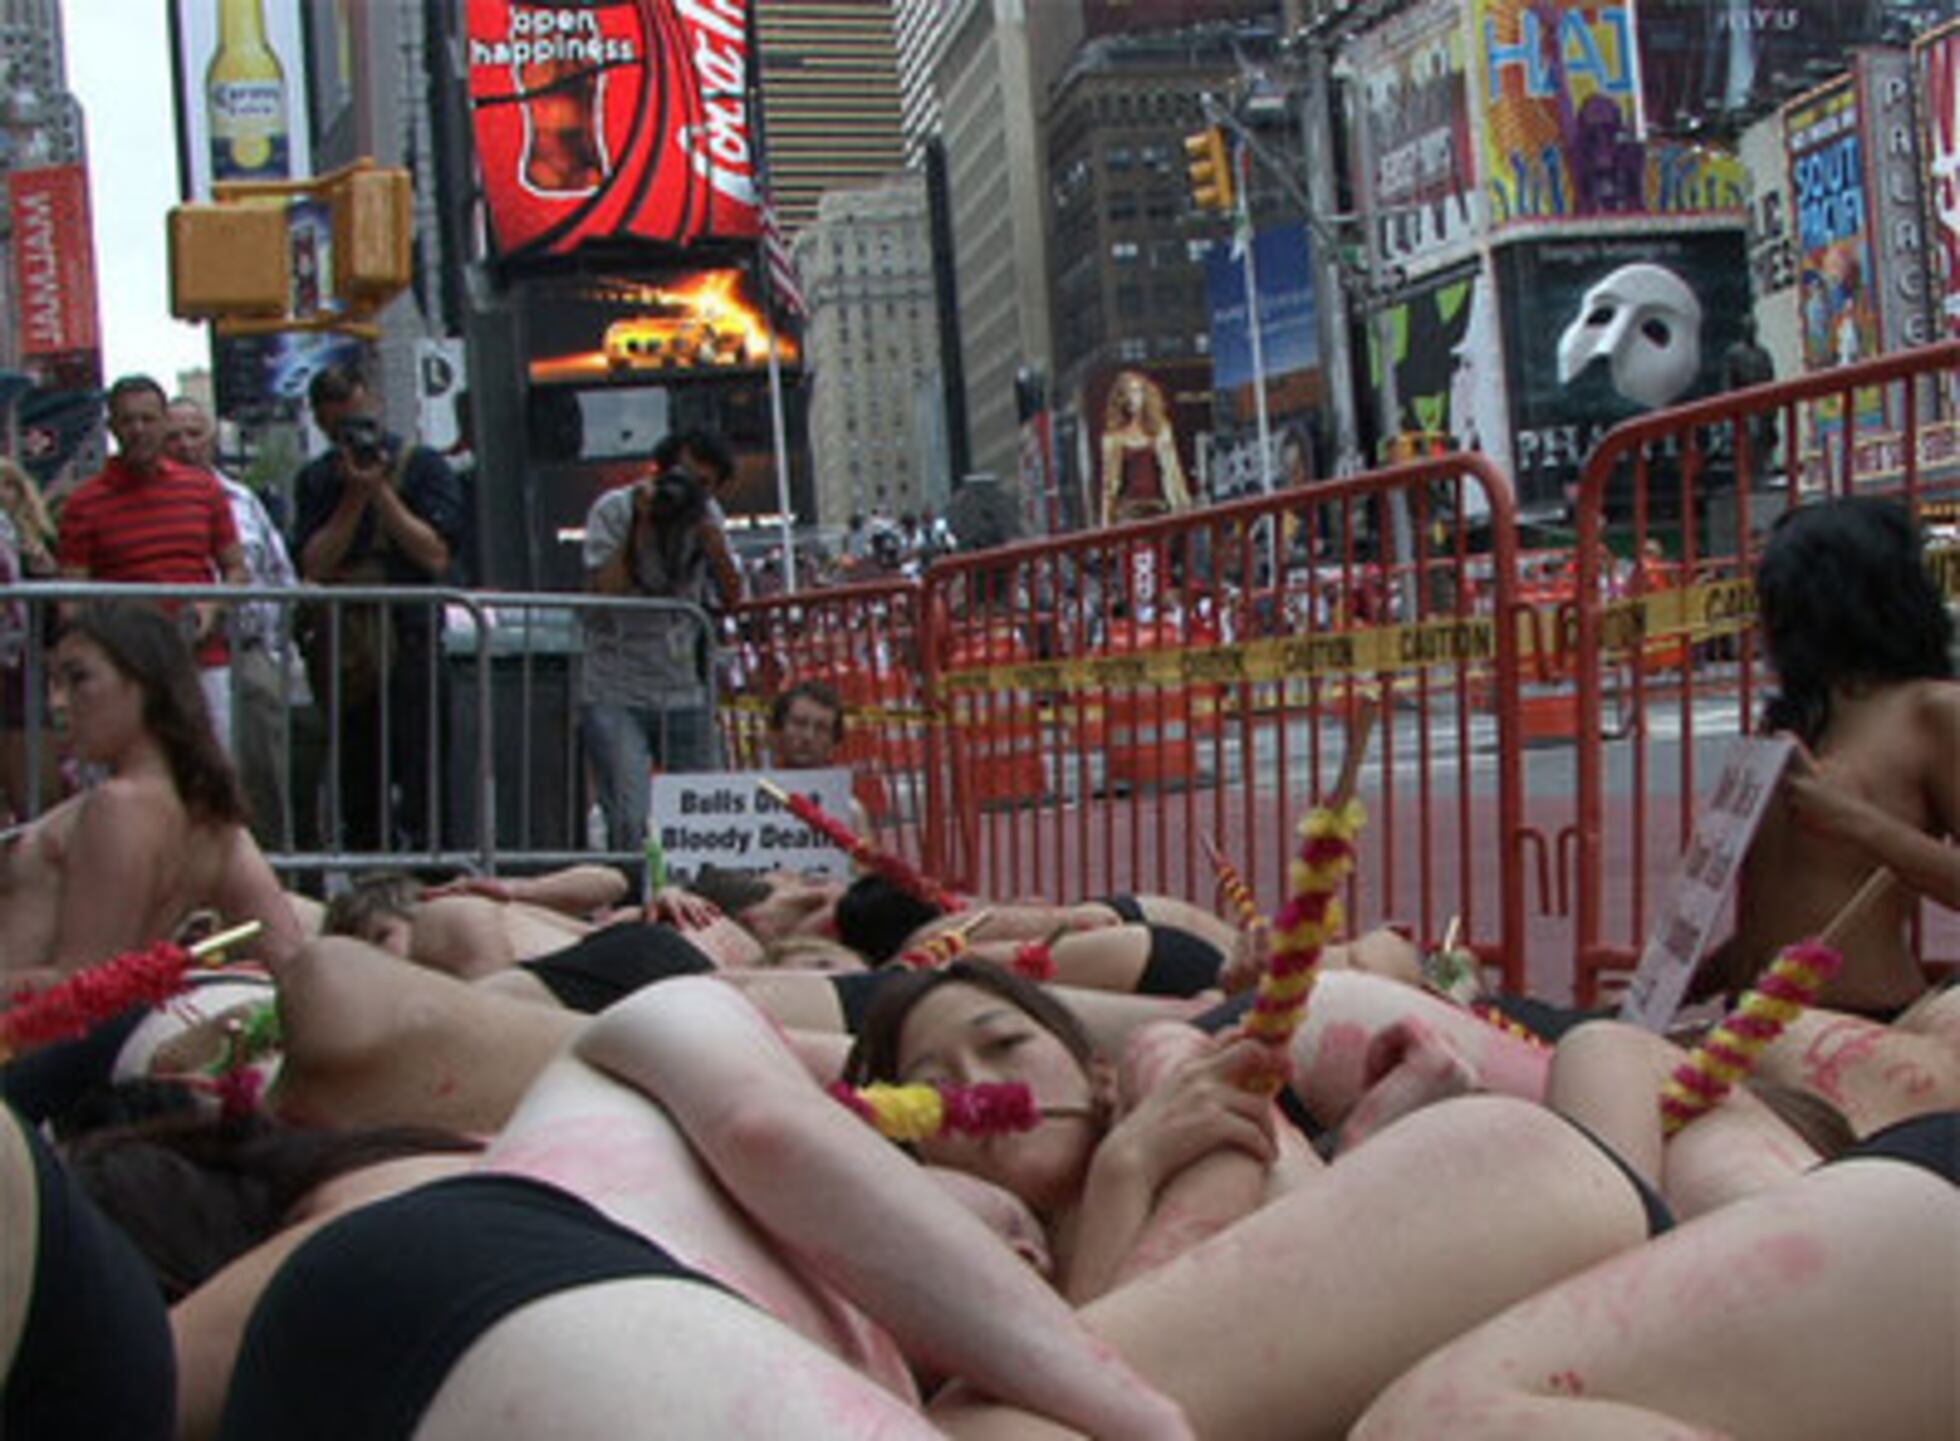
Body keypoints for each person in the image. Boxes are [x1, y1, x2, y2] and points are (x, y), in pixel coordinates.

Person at [1700, 497, 1959, 1018]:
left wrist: (1857, 823)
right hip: (1749, 1022)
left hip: (1860, 1026)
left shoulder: (1931, 709)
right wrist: (1657, 996)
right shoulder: (1794, 720)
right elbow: (1786, 916)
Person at [0, 600, 300, 989]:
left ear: (145, 685)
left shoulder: (120, 805)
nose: (57, 703)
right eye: (54, 683)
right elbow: (289, 957)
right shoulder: (214, 820)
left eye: (78, 680)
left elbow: (83, 986)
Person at [290, 363, 467, 854]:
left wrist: (382, 491)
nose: (356, 438)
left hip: (410, 638)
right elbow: (314, 563)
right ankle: (370, 877)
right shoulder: (318, 480)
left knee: (424, 772)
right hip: (347, 650)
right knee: (358, 776)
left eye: (360, 421)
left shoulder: (424, 467)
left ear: (376, 405)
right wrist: (352, 497)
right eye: (341, 428)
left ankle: (433, 871)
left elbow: (434, 553)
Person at [56, 375, 247, 752]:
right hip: (126, 667)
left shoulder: (204, 489)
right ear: (112, 427)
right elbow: (71, 597)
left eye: (148, 419)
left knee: (212, 771)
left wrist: (212, 606)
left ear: (164, 423)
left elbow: (237, 571)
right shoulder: (84, 503)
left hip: (203, 659)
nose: (139, 430)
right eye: (128, 421)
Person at [579, 429, 742, 861]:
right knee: (631, 813)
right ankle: (635, 895)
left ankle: (704, 897)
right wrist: (641, 524)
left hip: (683, 683)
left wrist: (714, 546)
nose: (688, 491)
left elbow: (734, 597)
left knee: (704, 806)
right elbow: (603, 591)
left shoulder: (707, 517)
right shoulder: (615, 509)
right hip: (615, 684)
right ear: (659, 469)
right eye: (682, 477)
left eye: (704, 484)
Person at [165, 396, 304, 851]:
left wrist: (277, 653)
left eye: (194, 434)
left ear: (211, 439)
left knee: (264, 775)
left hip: (248, 653)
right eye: (174, 436)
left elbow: (279, 574)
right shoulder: (153, 502)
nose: (185, 445)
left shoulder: (243, 499)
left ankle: (277, 877)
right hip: (178, 660)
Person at [1100, 370, 1191, 528]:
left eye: (1138, 391)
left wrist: (1184, 506)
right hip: (1129, 512)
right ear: (1122, 399)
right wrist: (1106, 524)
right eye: (1129, 393)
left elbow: (1173, 472)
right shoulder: (1114, 439)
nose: (1134, 398)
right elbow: (1109, 486)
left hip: (1161, 508)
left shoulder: (1161, 431)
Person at [765, 677, 846, 770]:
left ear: (834, 740)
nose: (808, 736)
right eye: (799, 724)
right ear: (779, 728)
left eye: (821, 728)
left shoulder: (850, 783)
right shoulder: (754, 782)